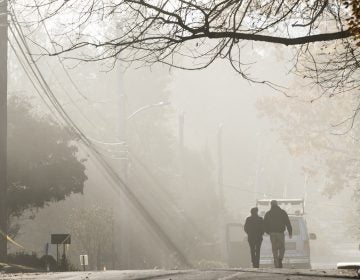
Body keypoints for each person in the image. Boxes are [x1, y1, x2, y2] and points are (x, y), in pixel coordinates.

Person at [264, 200, 292, 268]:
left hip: (272, 233)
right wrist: (290, 232)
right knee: (282, 247)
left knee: (274, 248)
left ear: (271, 205)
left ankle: (276, 264)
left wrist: (267, 231)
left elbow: (264, 224)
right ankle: (280, 259)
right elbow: (287, 222)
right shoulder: (282, 212)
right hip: (280, 233)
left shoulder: (268, 213)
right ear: (277, 204)